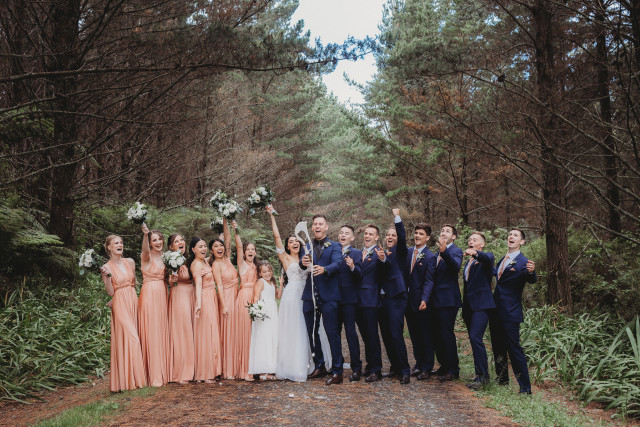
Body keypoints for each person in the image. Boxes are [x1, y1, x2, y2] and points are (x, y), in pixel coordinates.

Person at [267, 205, 328, 382]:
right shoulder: (285, 258)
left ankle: (314, 362)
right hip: (293, 296)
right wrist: (272, 215)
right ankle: (293, 365)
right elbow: (276, 237)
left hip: (308, 294)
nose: (294, 243)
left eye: (296, 241)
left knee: (310, 329)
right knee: (295, 328)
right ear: (287, 246)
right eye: (291, 242)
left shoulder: (306, 256)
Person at [489, 228, 536, 394]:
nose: (511, 236)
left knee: (514, 349)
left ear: (521, 241)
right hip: (495, 310)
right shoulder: (503, 259)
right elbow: (497, 275)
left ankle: (525, 387)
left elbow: (531, 278)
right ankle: (502, 378)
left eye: (515, 235)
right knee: (497, 346)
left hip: (511, 312)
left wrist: (531, 271)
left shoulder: (524, 261)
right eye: (510, 234)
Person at [300, 214, 345, 385]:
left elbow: (338, 264)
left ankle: (337, 371)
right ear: (312, 227)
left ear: (326, 227)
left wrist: (325, 270)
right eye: (315, 224)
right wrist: (303, 262)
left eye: (320, 224)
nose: (317, 226)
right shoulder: (306, 246)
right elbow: (301, 264)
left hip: (329, 296)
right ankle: (319, 365)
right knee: (311, 332)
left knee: (332, 333)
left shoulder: (335, 246)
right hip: (309, 296)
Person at [100, 235, 147, 392]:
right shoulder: (106, 267)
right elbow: (110, 292)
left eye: (121, 242)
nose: (120, 245)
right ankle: (134, 380)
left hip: (132, 299)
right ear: (109, 247)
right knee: (131, 338)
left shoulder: (130, 262)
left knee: (135, 336)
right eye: (116, 243)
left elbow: (133, 283)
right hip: (119, 302)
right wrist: (107, 277)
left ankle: (133, 378)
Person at [379, 209, 411, 384]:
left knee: (396, 334)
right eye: (388, 235)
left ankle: (405, 370)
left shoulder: (400, 252)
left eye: (393, 235)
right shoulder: (383, 252)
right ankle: (395, 367)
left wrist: (397, 217)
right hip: (382, 299)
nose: (390, 237)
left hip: (396, 298)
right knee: (386, 335)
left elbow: (402, 237)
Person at [461, 231, 495, 390]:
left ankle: (483, 378)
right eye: (470, 239)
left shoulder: (487, 258)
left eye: (475, 240)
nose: (471, 241)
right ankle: (479, 375)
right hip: (469, 307)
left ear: (482, 244)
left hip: (482, 306)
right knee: (473, 339)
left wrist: (475, 253)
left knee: (476, 337)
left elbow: (486, 259)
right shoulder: (468, 262)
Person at [403, 222, 437, 380]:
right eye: (416, 233)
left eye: (421, 234)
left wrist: (424, 299)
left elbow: (429, 281)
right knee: (414, 334)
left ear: (427, 238)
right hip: (407, 301)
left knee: (425, 334)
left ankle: (427, 367)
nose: (417, 236)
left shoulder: (430, 257)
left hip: (422, 302)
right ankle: (418, 364)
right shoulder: (408, 252)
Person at [431, 224, 463, 382]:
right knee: (436, 334)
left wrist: (445, 252)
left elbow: (455, 267)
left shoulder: (456, 251)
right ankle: (443, 365)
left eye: (447, 231)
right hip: (435, 299)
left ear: (454, 237)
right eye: (442, 230)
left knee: (446, 334)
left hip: (449, 300)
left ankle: (453, 369)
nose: (443, 233)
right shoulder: (436, 253)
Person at [190, 237, 225, 382]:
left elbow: (217, 253)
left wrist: (221, 238)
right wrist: (198, 304)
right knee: (207, 334)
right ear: (193, 249)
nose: (203, 248)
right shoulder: (196, 265)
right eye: (200, 246)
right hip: (205, 299)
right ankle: (205, 373)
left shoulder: (204, 261)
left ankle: (213, 369)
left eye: (205, 246)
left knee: (212, 333)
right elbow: (198, 285)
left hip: (212, 298)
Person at [139, 224, 169, 387]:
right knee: (152, 331)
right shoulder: (146, 256)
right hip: (149, 294)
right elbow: (144, 250)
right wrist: (145, 235)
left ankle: (165, 370)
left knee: (162, 329)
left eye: (160, 239)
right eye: (154, 240)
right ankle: (153, 374)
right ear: (150, 243)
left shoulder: (167, 257)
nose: (158, 242)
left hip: (163, 294)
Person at [357, 224, 385, 382]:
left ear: (376, 237)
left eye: (371, 234)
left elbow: (385, 267)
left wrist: (383, 259)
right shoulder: (358, 253)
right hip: (357, 300)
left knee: (372, 336)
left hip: (371, 300)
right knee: (365, 336)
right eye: (366, 233)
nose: (367, 236)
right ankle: (369, 365)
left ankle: (376, 369)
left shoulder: (379, 254)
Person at [210, 220, 238, 379]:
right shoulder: (215, 265)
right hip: (226, 297)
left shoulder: (227, 258)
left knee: (236, 331)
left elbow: (228, 238)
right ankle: (228, 369)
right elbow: (219, 286)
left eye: (220, 246)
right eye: (216, 246)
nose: (219, 248)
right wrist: (224, 305)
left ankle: (237, 365)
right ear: (211, 251)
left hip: (236, 294)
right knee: (228, 332)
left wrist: (225, 218)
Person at [167, 233, 195, 384]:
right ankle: (183, 370)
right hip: (180, 296)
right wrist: (173, 278)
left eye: (182, 240)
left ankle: (196, 368)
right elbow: (170, 282)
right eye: (176, 241)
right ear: (171, 247)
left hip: (192, 295)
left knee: (193, 330)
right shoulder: (170, 261)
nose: (180, 242)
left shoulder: (190, 259)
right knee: (183, 331)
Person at [336, 224, 363, 381]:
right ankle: (337, 367)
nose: (343, 235)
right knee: (335, 333)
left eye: (346, 233)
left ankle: (356, 368)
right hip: (334, 299)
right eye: (341, 233)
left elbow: (360, 275)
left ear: (352, 238)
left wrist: (352, 266)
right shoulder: (333, 251)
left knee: (351, 333)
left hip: (349, 300)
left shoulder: (357, 253)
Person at [233, 222, 258, 381]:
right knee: (246, 333)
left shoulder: (257, 266)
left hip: (256, 298)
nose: (250, 251)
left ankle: (256, 367)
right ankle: (245, 370)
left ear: (255, 252)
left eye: (252, 249)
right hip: (244, 298)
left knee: (256, 333)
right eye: (248, 249)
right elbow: (238, 246)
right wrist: (236, 229)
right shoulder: (242, 264)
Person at [248, 260, 279, 380]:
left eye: (269, 271)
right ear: (260, 273)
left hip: (273, 312)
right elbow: (256, 297)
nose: (267, 273)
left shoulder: (272, 282)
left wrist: (281, 284)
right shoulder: (261, 281)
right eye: (264, 272)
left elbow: (277, 296)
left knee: (272, 339)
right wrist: (257, 311)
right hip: (264, 312)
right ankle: (263, 372)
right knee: (264, 340)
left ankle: (271, 368)